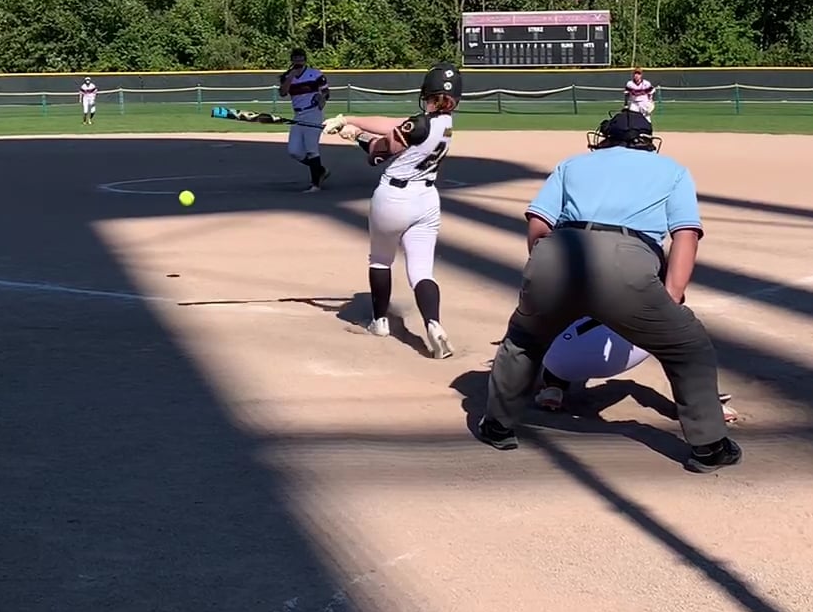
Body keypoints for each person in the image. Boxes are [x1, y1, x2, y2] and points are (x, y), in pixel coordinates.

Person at [475, 109, 740, 473]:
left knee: (523, 340)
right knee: (687, 346)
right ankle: (709, 447)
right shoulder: (672, 170)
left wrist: (543, 267)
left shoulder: (572, 164)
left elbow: (538, 224)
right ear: (648, 142)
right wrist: (673, 295)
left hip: (558, 252)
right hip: (627, 259)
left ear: (604, 138)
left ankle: (497, 427)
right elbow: (685, 235)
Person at [324, 63, 462, 359]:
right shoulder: (445, 123)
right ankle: (434, 324)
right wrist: (349, 120)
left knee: (380, 260)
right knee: (422, 271)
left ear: (428, 94)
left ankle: (380, 322)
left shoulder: (419, 125)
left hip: (394, 199)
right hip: (426, 200)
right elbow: (395, 124)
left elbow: (378, 153)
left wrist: (356, 136)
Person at [535, 316, 738, 425]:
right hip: (625, 353)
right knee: (680, 334)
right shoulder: (643, 262)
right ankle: (703, 405)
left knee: (555, 323)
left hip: (559, 360)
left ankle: (552, 389)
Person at [277, 49, 331, 192]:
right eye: (296, 58)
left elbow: (326, 91)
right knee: (294, 151)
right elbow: (283, 93)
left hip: (313, 112)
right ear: (292, 60)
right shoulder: (287, 76)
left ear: (305, 60)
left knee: (312, 150)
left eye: (301, 59)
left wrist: (322, 98)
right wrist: (290, 77)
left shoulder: (315, 74)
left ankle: (315, 185)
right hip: (298, 115)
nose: (298, 61)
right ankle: (320, 170)